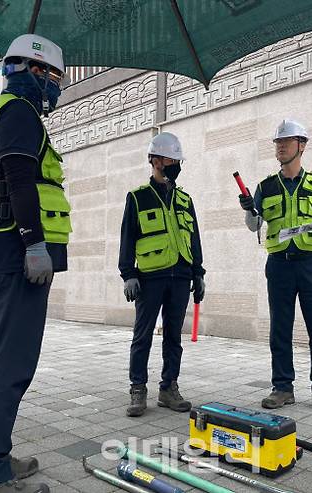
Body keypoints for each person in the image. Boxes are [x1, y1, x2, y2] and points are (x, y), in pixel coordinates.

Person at [0, 34, 71, 493]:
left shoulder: (4, 110)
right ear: (34, 70)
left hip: (1, 249)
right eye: (53, 76)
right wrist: (33, 242)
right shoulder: (19, 112)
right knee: (11, 364)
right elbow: (21, 182)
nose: (55, 86)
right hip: (15, 252)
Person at [239, 119, 312, 416]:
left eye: (286, 141)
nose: (280, 146)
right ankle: (282, 387)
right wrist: (248, 210)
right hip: (279, 265)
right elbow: (255, 225)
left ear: (302, 145)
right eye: (277, 143)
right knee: (280, 327)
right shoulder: (266, 186)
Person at [119, 132, 205, 417]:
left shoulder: (184, 199)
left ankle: (169, 387)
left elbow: (194, 238)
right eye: (170, 159)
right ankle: (138, 388)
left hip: (180, 276)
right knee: (142, 335)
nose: (175, 164)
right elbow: (127, 238)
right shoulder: (138, 198)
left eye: (177, 160)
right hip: (150, 277)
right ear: (155, 160)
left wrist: (198, 273)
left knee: (173, 336)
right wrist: (128, 274)